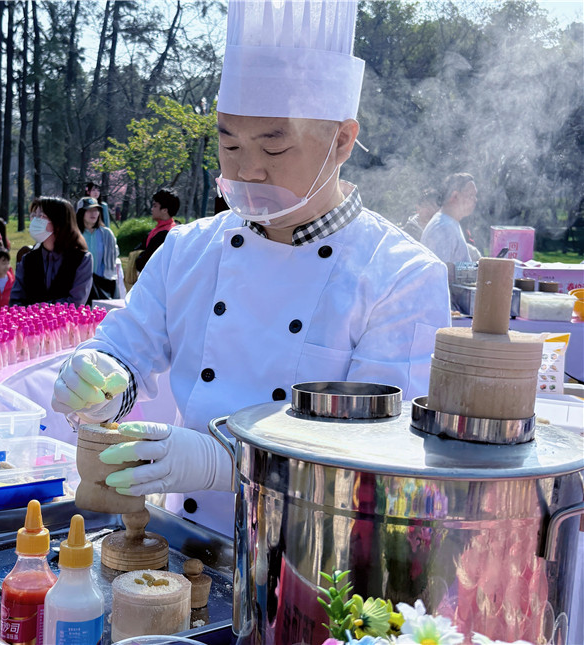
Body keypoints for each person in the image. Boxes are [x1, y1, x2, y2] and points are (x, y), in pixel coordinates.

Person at [51, 0, 450, 536]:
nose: (247, 170)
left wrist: (227, 462)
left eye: (274, 146)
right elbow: (126, 349)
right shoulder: (188, 249)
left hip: (310, 556)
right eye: (229, 143)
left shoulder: (401, 276)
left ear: (342, 141)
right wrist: (99, 378)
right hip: (182, 539)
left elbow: (381, 458)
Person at [10, 196, 93, 306]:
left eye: (41, 216)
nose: (35, 221)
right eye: (34, 216)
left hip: (65, 318)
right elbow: (15, 300)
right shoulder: (28, 259)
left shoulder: (81, 259)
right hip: (28, 317)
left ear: (58, 222)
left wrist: (41, 308)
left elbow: (76, 302)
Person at [421, 173, 478, 267]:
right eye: (471, 195)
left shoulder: (450, 223)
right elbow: (440, 270)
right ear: (455, 196)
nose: (475, 200)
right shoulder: (442, 227)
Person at [76, 196, 119, 302]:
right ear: (81, 212)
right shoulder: (74, 234)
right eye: (89, 210)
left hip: (102, 285)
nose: (94, 213)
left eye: (96, 210)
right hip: (78, 284)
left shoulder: (106, 234)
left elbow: (114, 256)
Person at [135, 189, 179, 272]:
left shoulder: (164, 234)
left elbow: (144, 262)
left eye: (155, 206)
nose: (152, 209)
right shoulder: (176, 229)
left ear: (165, 210)